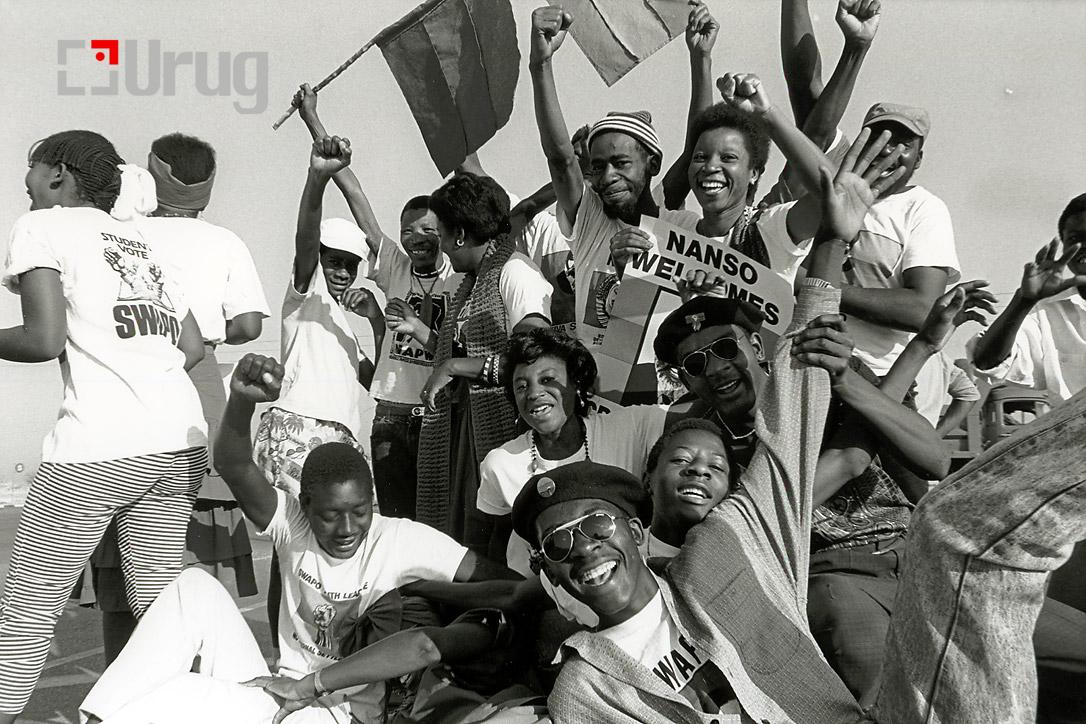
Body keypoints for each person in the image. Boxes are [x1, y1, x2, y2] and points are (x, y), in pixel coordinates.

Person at [509, 121, 902, 722]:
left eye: (596, 525)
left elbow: (796, 402)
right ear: (552, 577)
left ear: (636, 529)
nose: (584, 548)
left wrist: (830, 241)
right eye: (559, 545)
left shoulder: (725, 550)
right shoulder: (584, 690)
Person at [79, 353, 519, 724]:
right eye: (330, 516)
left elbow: (503, 583)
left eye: (360, 512)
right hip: (283, 689)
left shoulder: (400, 540)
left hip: (338, 713)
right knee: (192, 588)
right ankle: (97, 716)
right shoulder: (292, 523)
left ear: (372, 500)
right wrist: (241, 400)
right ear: (304, 504)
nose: (347, 529)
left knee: (183, 694)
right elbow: (233, 465)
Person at [0, 130, 207, 722]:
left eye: (33, 170)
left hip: (96, 448)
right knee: (159, 609)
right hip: (178, 442)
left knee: (30, 608)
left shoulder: (41, 226)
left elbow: (44, 339)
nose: (27, 183)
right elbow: (192, 347)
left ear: (59, 175)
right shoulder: (142, 240)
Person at [91, 131, 272, 663]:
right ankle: (196, 681)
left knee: (120, 552)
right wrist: (211, 330)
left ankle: (124, 686)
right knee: (197, 547)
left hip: (126, 379)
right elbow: (248, 324)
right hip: (201, 386)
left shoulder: (120, 233)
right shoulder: (224, 242)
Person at [717, 73, 962, 377]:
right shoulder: (824, 193)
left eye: (903, 143)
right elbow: (813, 118)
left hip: (872, 377)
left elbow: (923, 310)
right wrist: (766, 112)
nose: (888, 150)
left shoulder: (923, 209)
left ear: (919, 158)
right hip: (798, 364)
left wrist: (815, 286)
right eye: (879, 137)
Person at [290, 84, 460, 520]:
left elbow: (456, 354)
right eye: (407, 231)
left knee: (437, 523)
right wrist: (312, 119)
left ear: (445, 233)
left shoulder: (460, 279)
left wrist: (417, 327)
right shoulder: (396, 269)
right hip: (389, 416)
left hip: (436, 414)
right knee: (396, 523)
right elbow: (354, 193)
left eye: (427, 230)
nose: (415, 239)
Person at [255, 134, 381, 648]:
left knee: (325, 558)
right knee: (293, 551)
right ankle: (283, 652)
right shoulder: (305, 296)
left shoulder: (346, 328)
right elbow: (305, 238)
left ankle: (316, 652)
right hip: (299, 429)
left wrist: (376, 320)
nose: (342, 270)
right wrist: (318, 179)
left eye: (351, 263)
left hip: (340, 441)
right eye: (334, 260)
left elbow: (379, 380)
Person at [529, 5, 697, 352]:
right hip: (598, 384)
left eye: (621, 163)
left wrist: (701, 59)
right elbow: (560, 158)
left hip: (662, 385)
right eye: (598, 166)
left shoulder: (683, 229)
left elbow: (697, 147)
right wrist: (540, 65)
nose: (607, 177)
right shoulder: (591, 221)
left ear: (652, 164)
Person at [415, 173, 553, 552]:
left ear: (460, 234)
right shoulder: (471, 284)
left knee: (495, 543)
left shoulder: (515, 273)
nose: (441, 248)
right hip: (464, 431)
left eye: (441, 235)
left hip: (499, 433)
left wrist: (454, 367)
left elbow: (537, 359)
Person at [968, 194, 1086, 401]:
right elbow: (987, 363)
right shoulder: (1046, 312)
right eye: (1075, 239)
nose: (1083, 246)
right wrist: (1024, 301)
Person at [913, 351, 980, 435]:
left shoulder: (900, 356)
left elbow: (969, 394)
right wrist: (935, 436)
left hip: (904, 436)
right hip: (921, 436)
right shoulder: (939, 358)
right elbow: (970, 394)